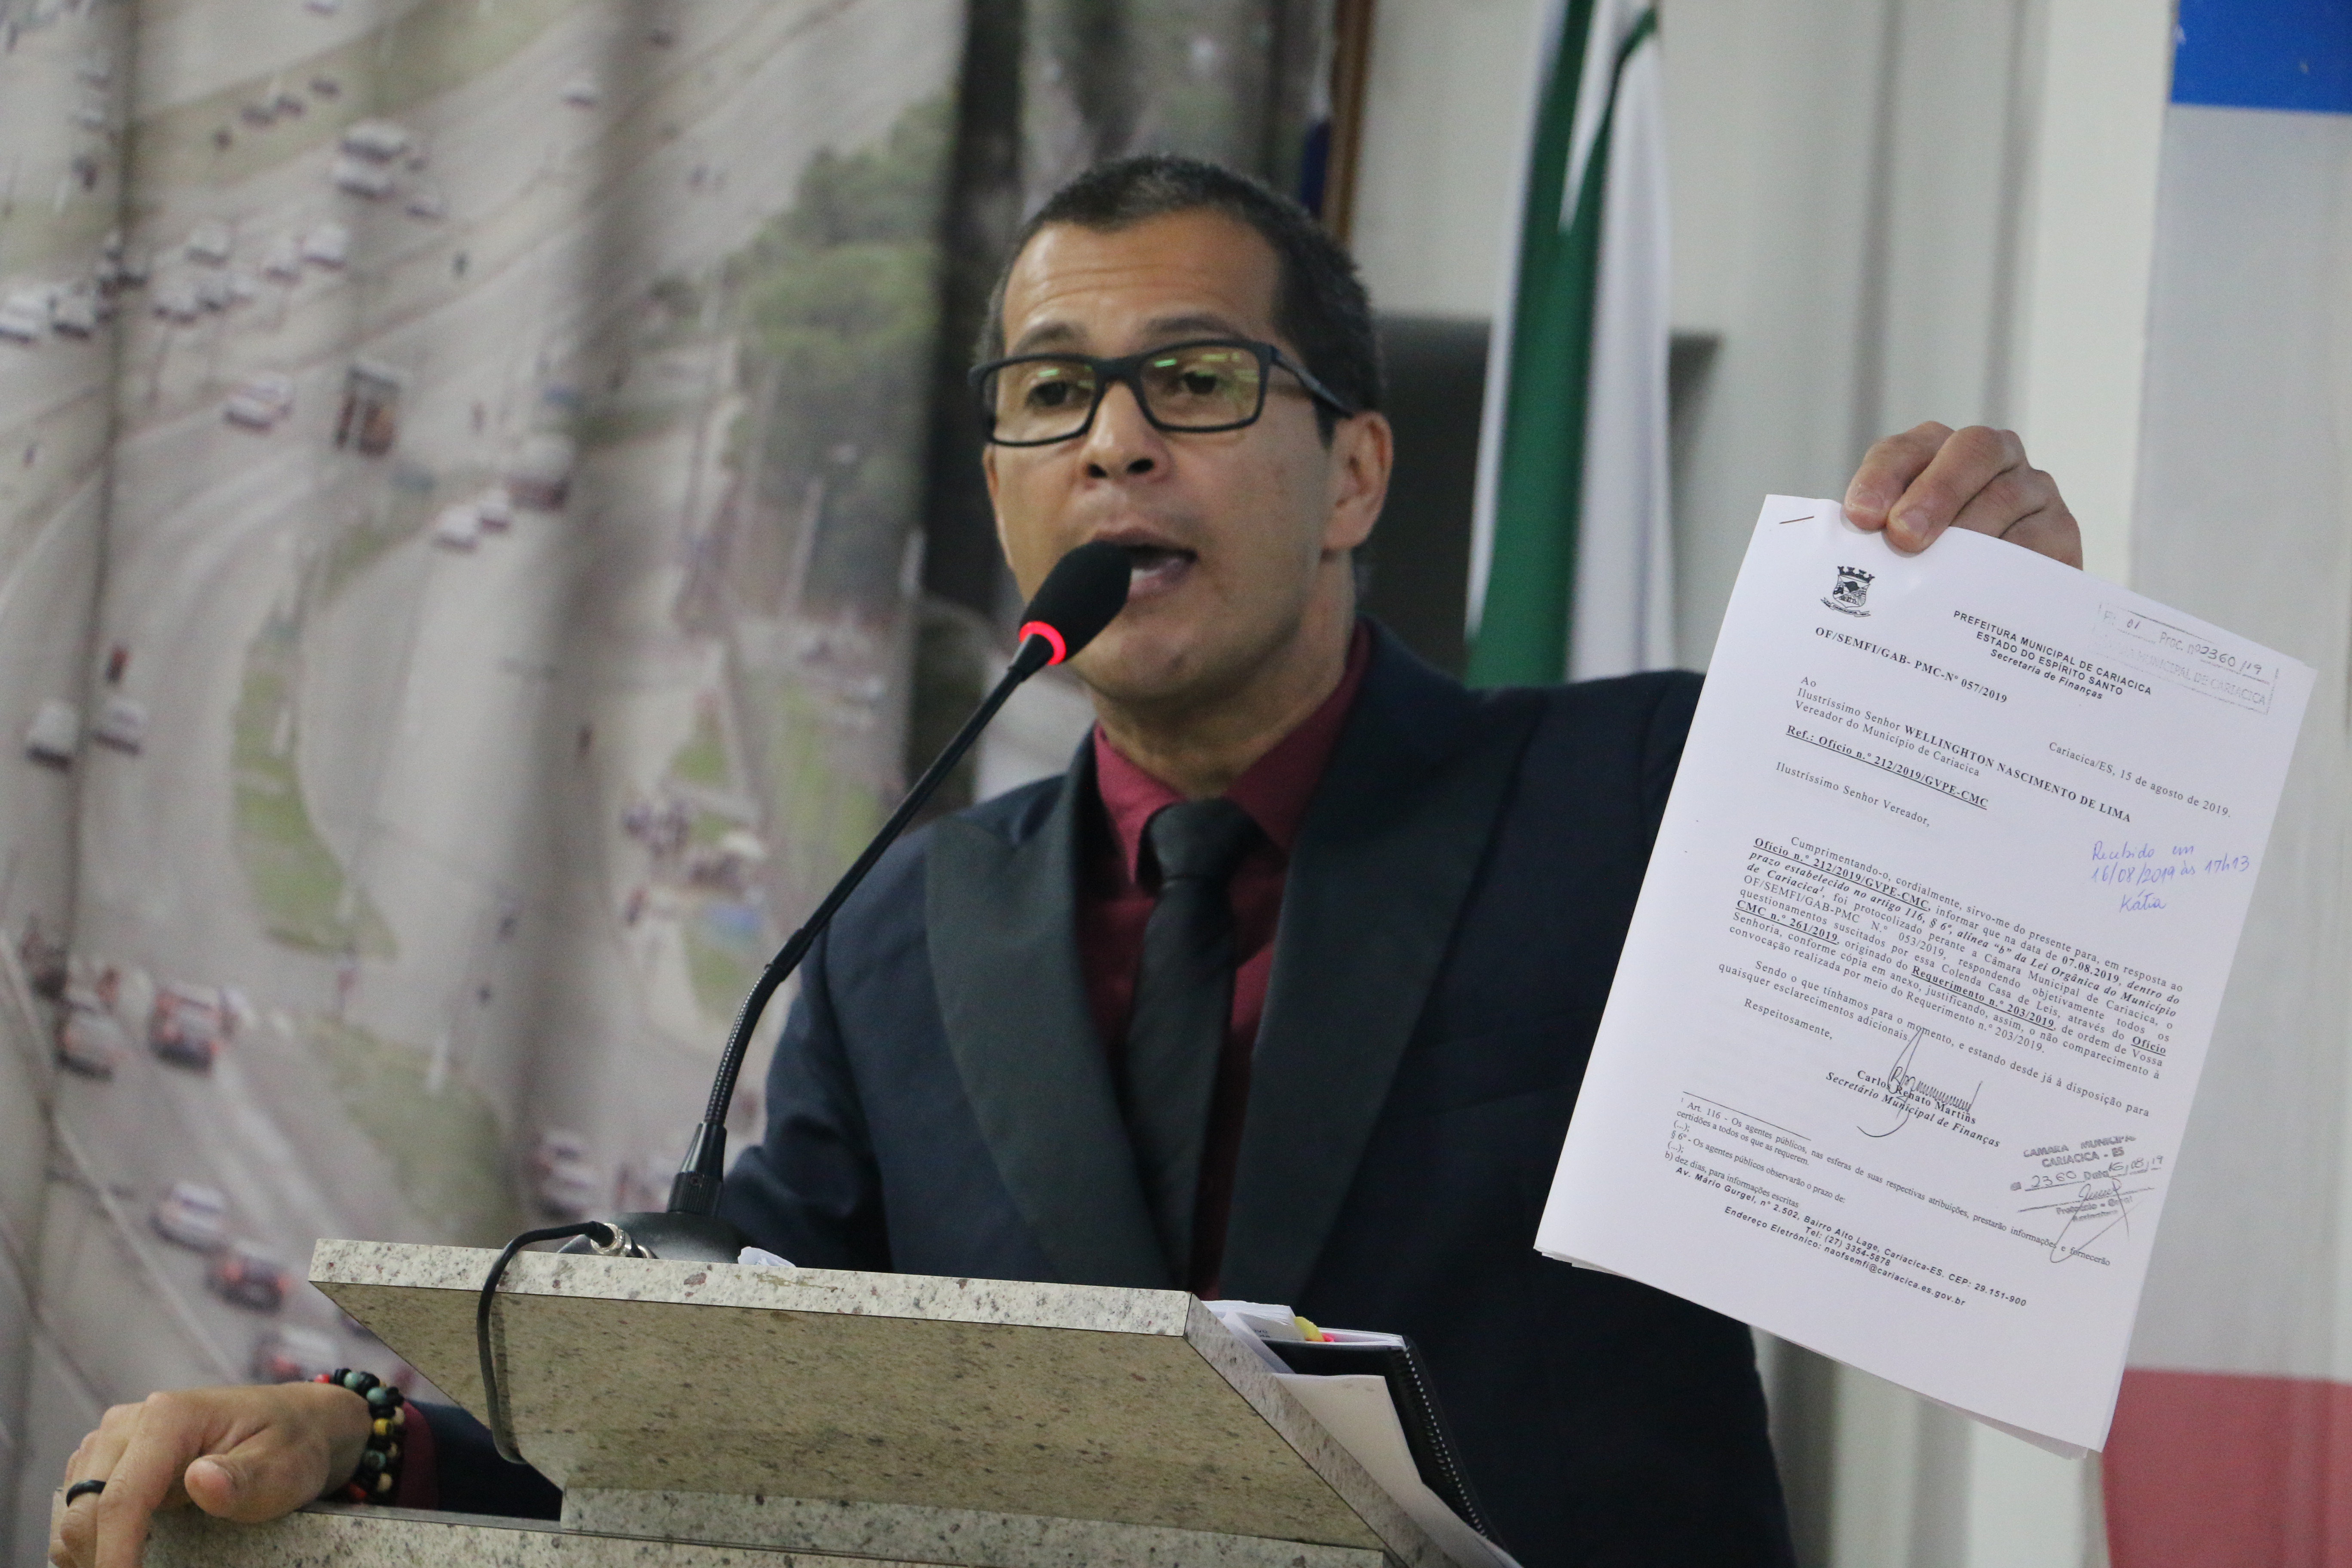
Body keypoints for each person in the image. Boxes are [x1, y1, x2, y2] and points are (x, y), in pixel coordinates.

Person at [53, 155, 2079, 1568]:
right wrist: (363, 1433)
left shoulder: (1640, 792)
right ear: (1009, 480)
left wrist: (2003, 665)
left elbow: (1988, 1080)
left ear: (1355, 471)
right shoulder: (904, 933)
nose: (1114, 443)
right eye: (1051, 396)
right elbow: (717, 1373)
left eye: (1191, 381)